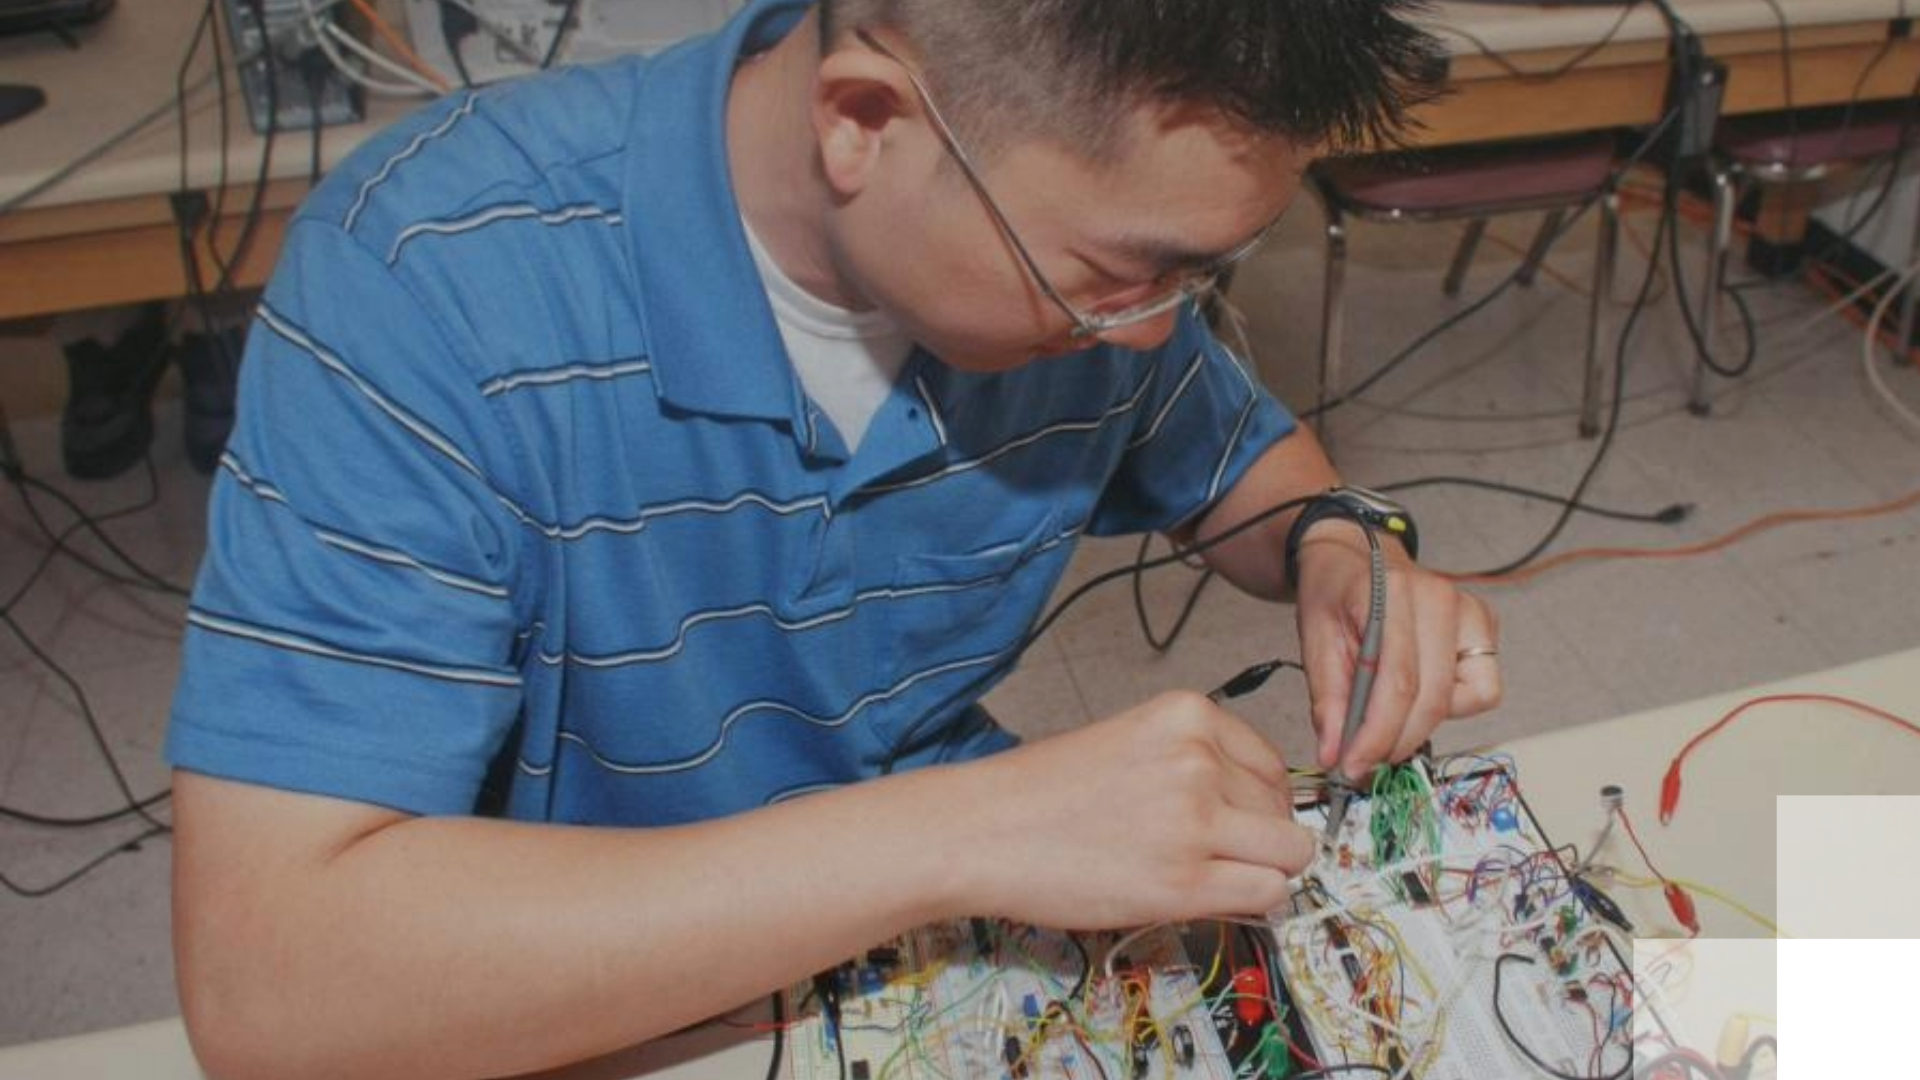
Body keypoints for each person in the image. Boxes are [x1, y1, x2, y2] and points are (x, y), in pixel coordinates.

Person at [166, 1, 1501, 1077]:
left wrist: (1343, 545)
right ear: (864, 119)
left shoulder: (1058, 266)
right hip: (572, 1004)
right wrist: (965, 830)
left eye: (1197, 277)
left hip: (944, 958)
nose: (1151, 333)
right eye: (1118, 275)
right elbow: (274, 992)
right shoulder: (428, 276)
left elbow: (1235, 457)